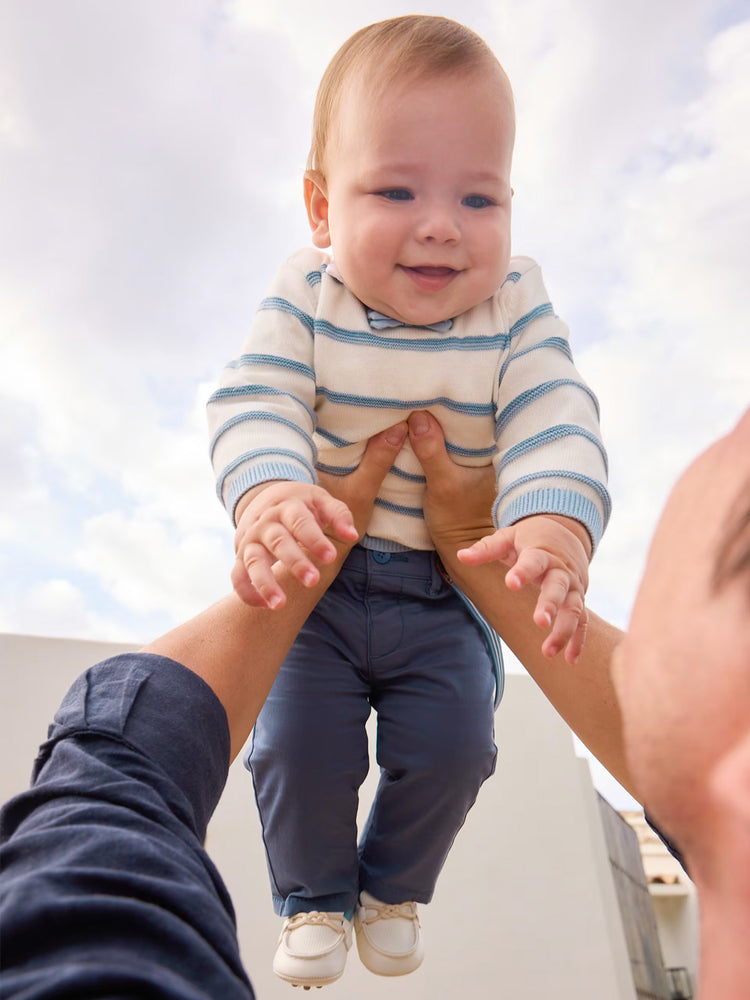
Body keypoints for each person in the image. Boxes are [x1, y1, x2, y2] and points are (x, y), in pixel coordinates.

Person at [206, 15, 610, 987]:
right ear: (321, 207)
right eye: (397, 191)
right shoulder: (307, 293)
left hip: (445, 590)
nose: (441, 225)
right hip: (323, 586)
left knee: (458, 748)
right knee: (295, 747)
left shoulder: (515, 302)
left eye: (479, 197)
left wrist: (552, 521)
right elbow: (256, 399)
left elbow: (555, 413)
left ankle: (391, 889)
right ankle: (312, 896)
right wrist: (272, 494)